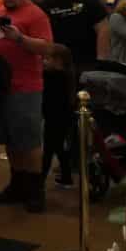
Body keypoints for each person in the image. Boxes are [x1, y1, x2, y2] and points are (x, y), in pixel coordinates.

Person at [0, 0, 53, 213]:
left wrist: (20, 38)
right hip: (0, 85)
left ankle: (35, 190)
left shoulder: (36, 14)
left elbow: (46, 47)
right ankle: (17, 184)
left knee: (29, 140)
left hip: (26, 86)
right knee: (10, 139)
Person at [37, 0, 109, 188]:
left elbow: (103, 29)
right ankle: (65, 168)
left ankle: (83, 165)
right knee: (56, 122)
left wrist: (101, 61)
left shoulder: (86, 0)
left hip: (84, 65)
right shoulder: (45, 5)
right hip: (57, 71)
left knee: (82, 120)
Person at [41, 44, 76, 189]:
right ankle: (66, 177)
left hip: (54, 118)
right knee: (58, 148)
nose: (44, 61)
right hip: (61, 118)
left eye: (47, 58)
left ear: (58, 61)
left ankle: (40, 180)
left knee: (49, 150)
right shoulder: (67, 76)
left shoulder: (53, 76)